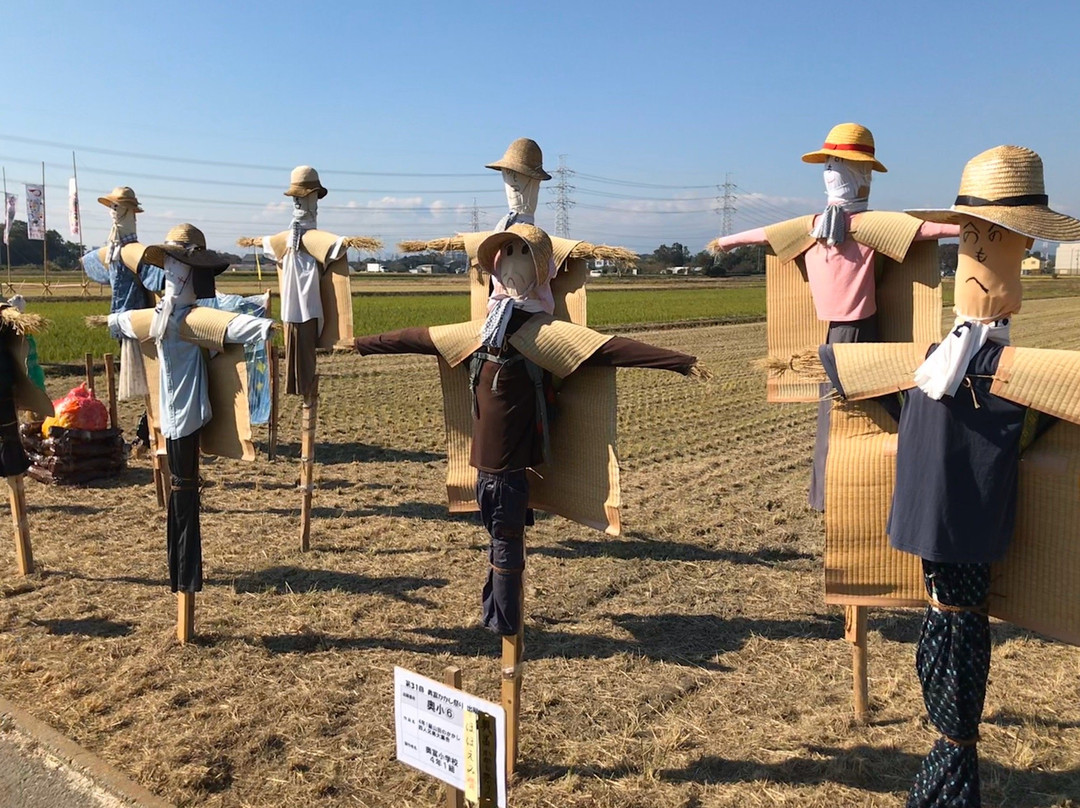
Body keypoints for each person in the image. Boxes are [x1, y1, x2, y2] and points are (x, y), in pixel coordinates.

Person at [820, 145, 1080, 807]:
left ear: (1007, 239)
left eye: (982, 239)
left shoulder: (988, 366)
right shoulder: (943, 362)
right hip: (947, 514)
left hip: (963, 518)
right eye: (966, 237)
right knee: (951, 618)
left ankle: (952, 764)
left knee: (956, 619)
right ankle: (950, 762)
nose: (972, 250)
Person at [355, 223, 705, 635]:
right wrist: (363, 343)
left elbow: (609, 348)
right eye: (507, 256)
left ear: (541, 273)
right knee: (502, 542)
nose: (511, 265)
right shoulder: (483, 332)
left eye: (523, 255)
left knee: (505, 543)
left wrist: (678, 361)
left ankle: (507, 629)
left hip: (506, 472)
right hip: (488, 470)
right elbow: (419, 338)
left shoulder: (544, 334)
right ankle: (497, 615)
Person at [711, 123, 958, 509]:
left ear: (862, 176)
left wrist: (977, 226)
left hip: (858, 327)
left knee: (865, 400)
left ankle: (900, 469)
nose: (832, 170)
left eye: (840, 163)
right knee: (844, 405)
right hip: (833, 329)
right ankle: (839, 488)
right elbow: (766, 234)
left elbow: (928, 230)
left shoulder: (870, 225)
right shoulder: (814, 225)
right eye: (829, 163)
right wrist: (726, 241)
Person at [108, 224, 274, 619]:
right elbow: (122, 322)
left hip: (186, 417)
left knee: (184, 492)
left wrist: (266, 327)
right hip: (171, 417)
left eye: (178, 266)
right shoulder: (163, 316)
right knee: (181, 494)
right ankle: (182, 576)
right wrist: (110, 322)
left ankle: (186, 577)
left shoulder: (193, 319)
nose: (172, 274)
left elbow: (236, 327)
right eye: (169, 266)